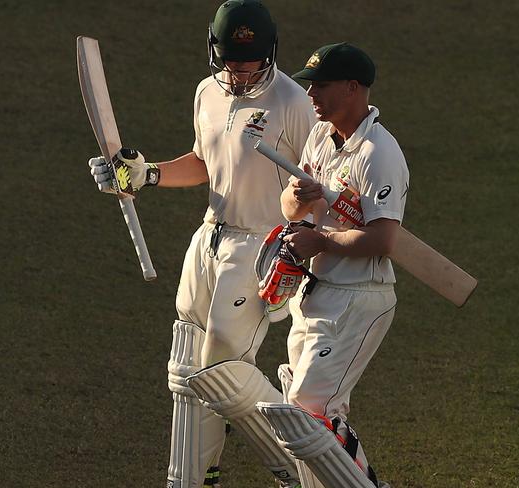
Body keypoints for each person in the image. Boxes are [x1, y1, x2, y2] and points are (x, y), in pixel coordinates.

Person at [88, 1, 316, 487]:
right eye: (232, 57)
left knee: (222, 369)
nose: (241, 68)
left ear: (270, 52)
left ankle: (304, 468)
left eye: (251, 59)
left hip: (260, 245)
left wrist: (299, 245)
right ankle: (190, 477)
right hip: (209, 237)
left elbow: (317, 182)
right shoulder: (206, 93)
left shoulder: (294, 103)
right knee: (187, 364)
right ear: (215, 50)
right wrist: (145, 174)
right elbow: (202, 161)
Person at [257, 43, 409, 488]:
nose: (311, 95)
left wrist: (319, 239)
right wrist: (296, 199)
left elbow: (383, 239)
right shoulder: (322, 136)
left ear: (353, 87)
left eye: (321, 86)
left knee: (309, 410)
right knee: (305, 416)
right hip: (316, 290)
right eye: (309, 86)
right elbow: (290, 207)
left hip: (360, 298)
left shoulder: (380, 153)